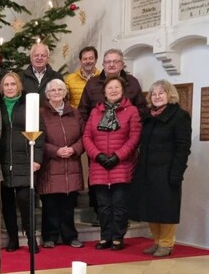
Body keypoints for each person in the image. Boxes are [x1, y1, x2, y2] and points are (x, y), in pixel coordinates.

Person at [129, 80, 192, 257]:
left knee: (166, 208)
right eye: (154, 94)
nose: (157, 96)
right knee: (151, 207)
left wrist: (177, 172)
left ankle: (166, 243)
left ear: (169, 95)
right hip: (147, 170)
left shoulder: (179, 116)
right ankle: (156, 242)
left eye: (161, 93)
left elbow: (183, 147)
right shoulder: (149, 116)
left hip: (167, 170)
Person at [82, 76, 141, 250]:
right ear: (104, 91)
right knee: (103, 206)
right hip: (99, 165)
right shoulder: (95, 112)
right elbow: (87, 136)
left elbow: (134, 137)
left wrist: (117, 156)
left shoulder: (131, 111)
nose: (113, 90)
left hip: (121, 165)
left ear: (122, 90)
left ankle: (117, 237)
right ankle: (105, 236)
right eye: (110, 88)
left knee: (119, 205)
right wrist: (97, 155)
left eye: (116, 88)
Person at [0, 72, 43, 253]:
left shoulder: (28, 106)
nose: (9, 87)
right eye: (6, 84)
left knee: (25, 200)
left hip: (24, 159)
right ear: (2, 88)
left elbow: (40, 133)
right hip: (3, 159)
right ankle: (13, 238)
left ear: (19, 86)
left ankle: (31, 238)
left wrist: (37, 159)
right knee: (7, 203)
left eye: (13, 84)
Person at [38, 79, 85, 249]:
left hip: (71, 165)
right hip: (50, 165)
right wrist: (55, 151)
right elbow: (37, 139)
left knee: (68, 206)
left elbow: (84, 136)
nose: (56, 93)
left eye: (60, 90)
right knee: (50, 205)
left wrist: (74, 149)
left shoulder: (74, 111)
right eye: (53, 90)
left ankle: (70, 236)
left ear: (65, 93)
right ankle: (50, 237)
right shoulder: (41, 113)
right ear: (47, 94)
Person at [77, 48, 146, 122]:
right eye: (108, 62)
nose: (111, 64)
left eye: (116, 61)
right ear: (103, 64)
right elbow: (82, 111)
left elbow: (142, 109)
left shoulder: (132, 81)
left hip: (127, 129)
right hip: (97, 130)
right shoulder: (92, 83)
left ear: (122, 64)